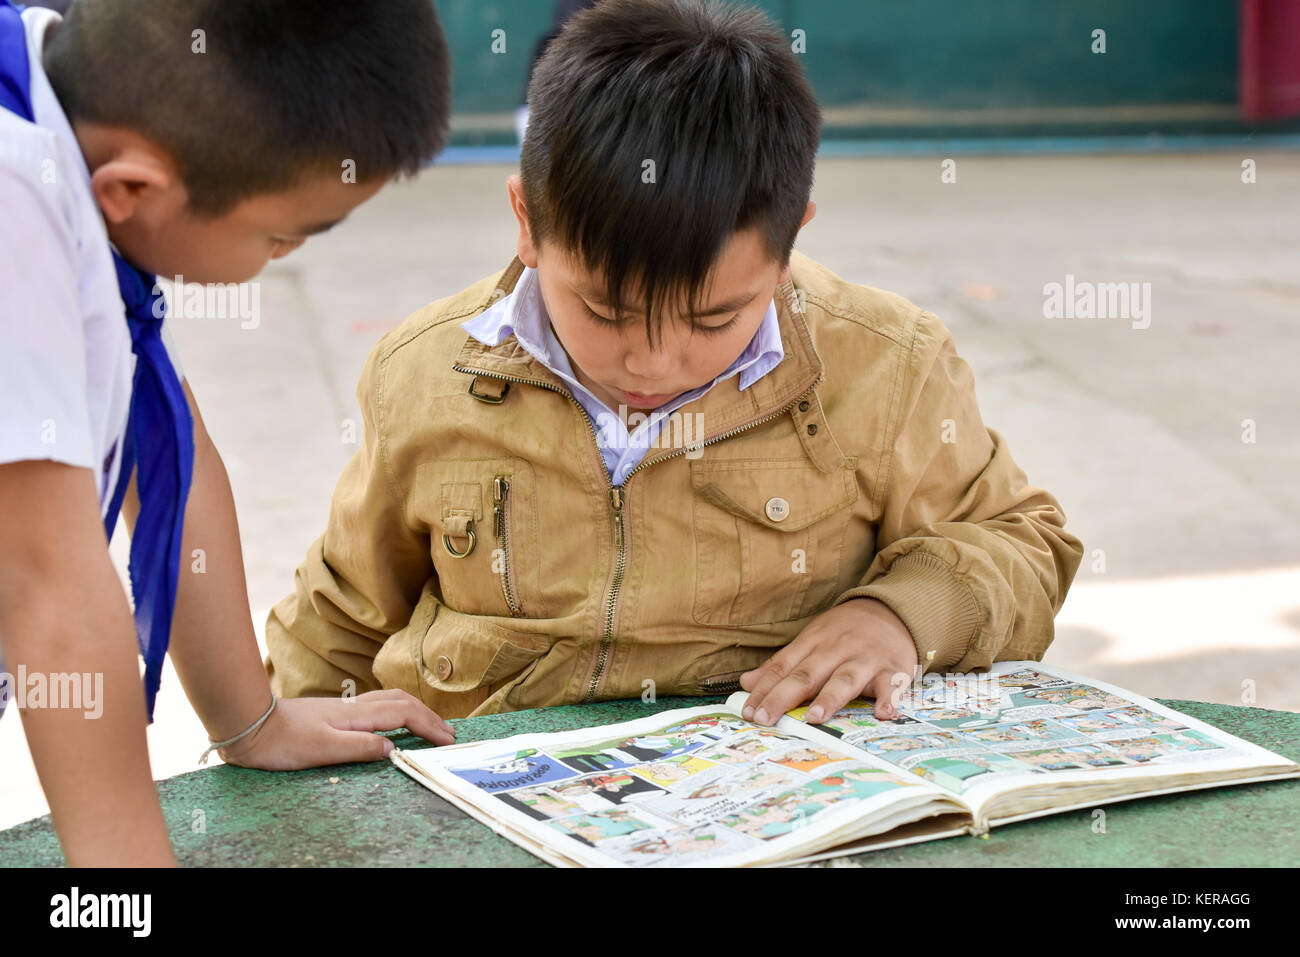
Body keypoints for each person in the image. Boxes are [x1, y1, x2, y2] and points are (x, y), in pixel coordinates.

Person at [266, 0, 1084, 736]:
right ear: (526, 221)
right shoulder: (425, 372)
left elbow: (1023, 541)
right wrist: (286, 749)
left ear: (788, 241)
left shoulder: (885, 367)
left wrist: (901, 616)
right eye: (604, 310)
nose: (651, 361)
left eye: (713, 318)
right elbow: (342, 614)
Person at [0, 0, 456, 866]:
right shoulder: (11, 201)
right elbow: (50, 590)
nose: (284, 256)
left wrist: (253, 719)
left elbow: (159, 424)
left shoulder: (66, 96)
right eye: (280, 234)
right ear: (133, 190)